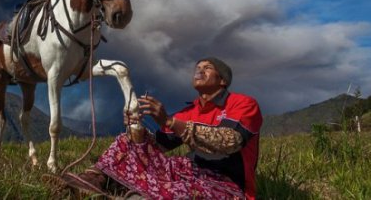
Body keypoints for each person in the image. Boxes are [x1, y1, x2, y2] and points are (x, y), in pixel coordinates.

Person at [52, 57, 262, 199]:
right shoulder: (190, 111)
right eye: (197, 67)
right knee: (129, 143)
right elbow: (156, 147)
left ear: (223, 80)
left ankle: (131, 192)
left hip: (227, 185)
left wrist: (170, 122)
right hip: (189, 172)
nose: (199, 70)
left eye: (207, 68)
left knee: (176, 191)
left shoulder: (242, 104)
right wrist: (136, 128)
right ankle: (92, 181)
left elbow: (229, 142)